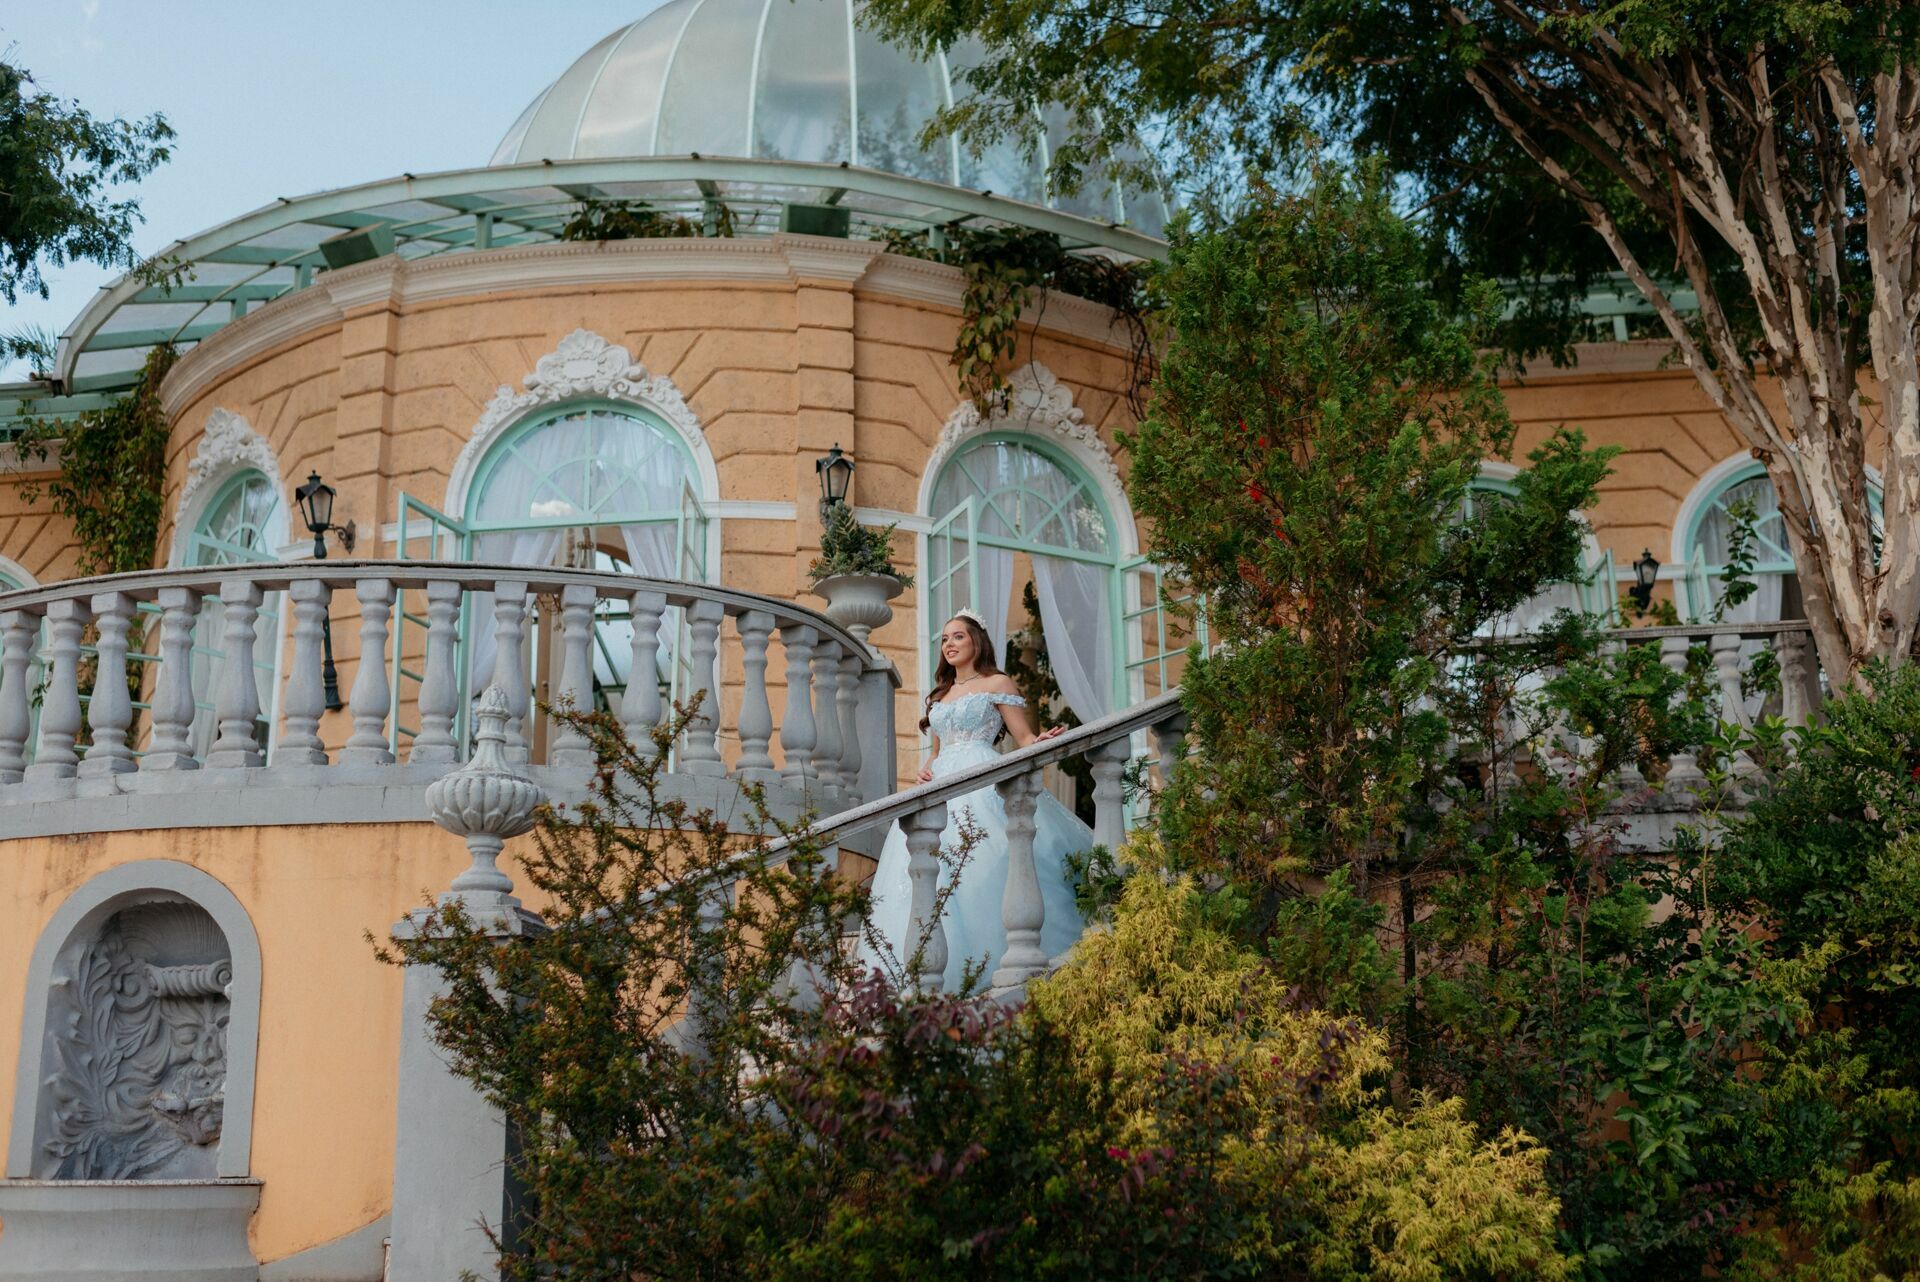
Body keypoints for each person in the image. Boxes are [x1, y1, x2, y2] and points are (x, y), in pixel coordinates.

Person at [862, 609, 1093, 990]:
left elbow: (1023, 740)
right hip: (939, 786)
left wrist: (1043, 742)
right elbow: (937, 752)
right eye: (944, 639)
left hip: (981, 775)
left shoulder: (997, 683)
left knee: (987, 861)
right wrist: (926, 770)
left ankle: (990, 959)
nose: (949, 645)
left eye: (958, 637)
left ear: (976, 642)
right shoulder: (939, 695)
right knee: (931, 873)